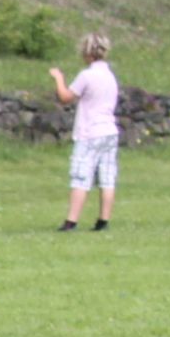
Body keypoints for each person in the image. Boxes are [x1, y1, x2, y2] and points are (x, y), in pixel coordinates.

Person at [48, 33, 119, 232]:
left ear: (87, 53)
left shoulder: (87, 75)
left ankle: (71, 221)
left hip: (90, 132)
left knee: (81, 175)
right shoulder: (110, 76)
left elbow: (65, 97)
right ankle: (103, 220)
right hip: (109, 131)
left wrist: (58, 78)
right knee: (107, 177)